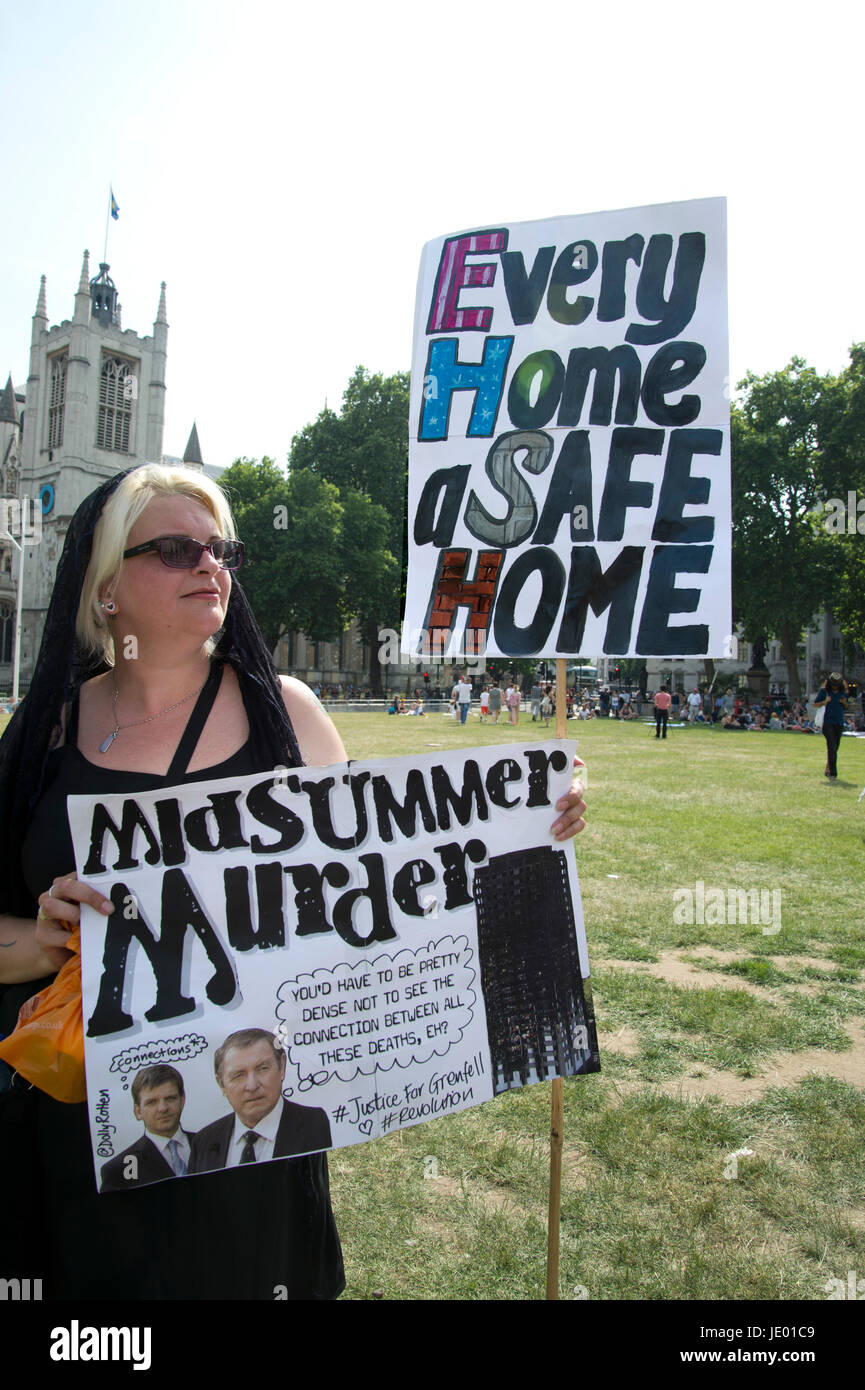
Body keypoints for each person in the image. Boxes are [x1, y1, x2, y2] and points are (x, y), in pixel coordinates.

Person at [0, 463, 588, 1300]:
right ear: (104, 592)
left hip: (249, 1149)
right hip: (81, 1137)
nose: (208, 566)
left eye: (220, 550)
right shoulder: (44, 735)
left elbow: (390, 887)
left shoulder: (287, 713)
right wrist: (48, 937)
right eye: (173, 549)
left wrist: (531, 823)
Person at [190, 1029, 331, 1172]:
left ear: (281, 1066)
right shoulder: (203, 1143)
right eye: (238, 1075)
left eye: (262, 1069)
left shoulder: (314, 1125)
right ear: (221, 1084)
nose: (252, 1086)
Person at [100, 1063, 194, 1191]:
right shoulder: (118, 1170)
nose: (163, 1108)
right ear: (138, 1111)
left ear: (182, 1101)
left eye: (170, 1098)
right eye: (151, 1102)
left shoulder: (210, 1143)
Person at [813, 672, 849, 780]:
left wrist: (844, 702)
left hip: (839, 722)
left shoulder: (843, 692)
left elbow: (846, 707)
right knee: (832, 747)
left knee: (835, 748)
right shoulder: (824, 691)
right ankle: (833, 773)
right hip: (827, 722)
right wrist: (825, 701)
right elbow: (815, 704)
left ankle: (828, 767)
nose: (835, 687)